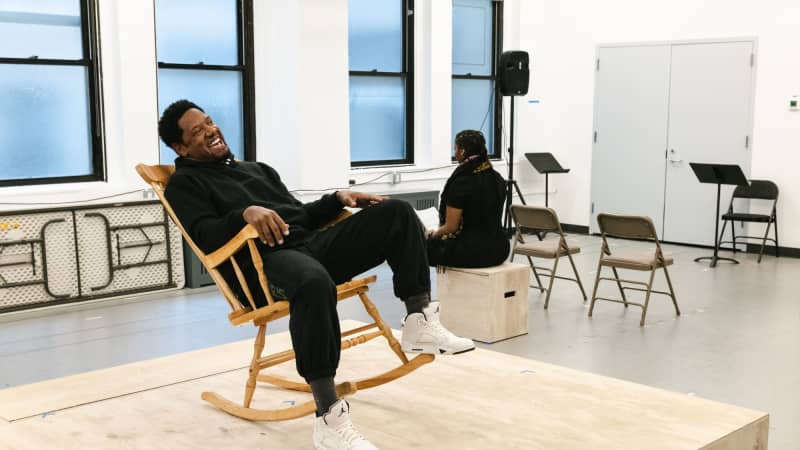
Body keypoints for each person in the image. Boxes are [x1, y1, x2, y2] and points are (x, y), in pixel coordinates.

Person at [158, 100, 474, 450]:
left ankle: (419, 319)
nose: (211, 131)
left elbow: (299, 216)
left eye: (210, 123)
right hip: (266, 267)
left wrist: (338, 198)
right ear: (181, 147)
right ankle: (328, 418)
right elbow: (204, 235)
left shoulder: (258, 169)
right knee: (313, 282)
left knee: (396, 212)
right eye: (197, 131)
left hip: (311, 245)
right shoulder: (184, 185)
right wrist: (244, 214)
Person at [426, 130, 510, 268]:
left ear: (463, 151)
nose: (455, 153)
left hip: (473, 252)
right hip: (500, 249)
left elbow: (451, 227)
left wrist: (433, 234)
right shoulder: (497, 178)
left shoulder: (462, 182)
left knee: (420, 248)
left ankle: (418, 289)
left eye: (456, 149)